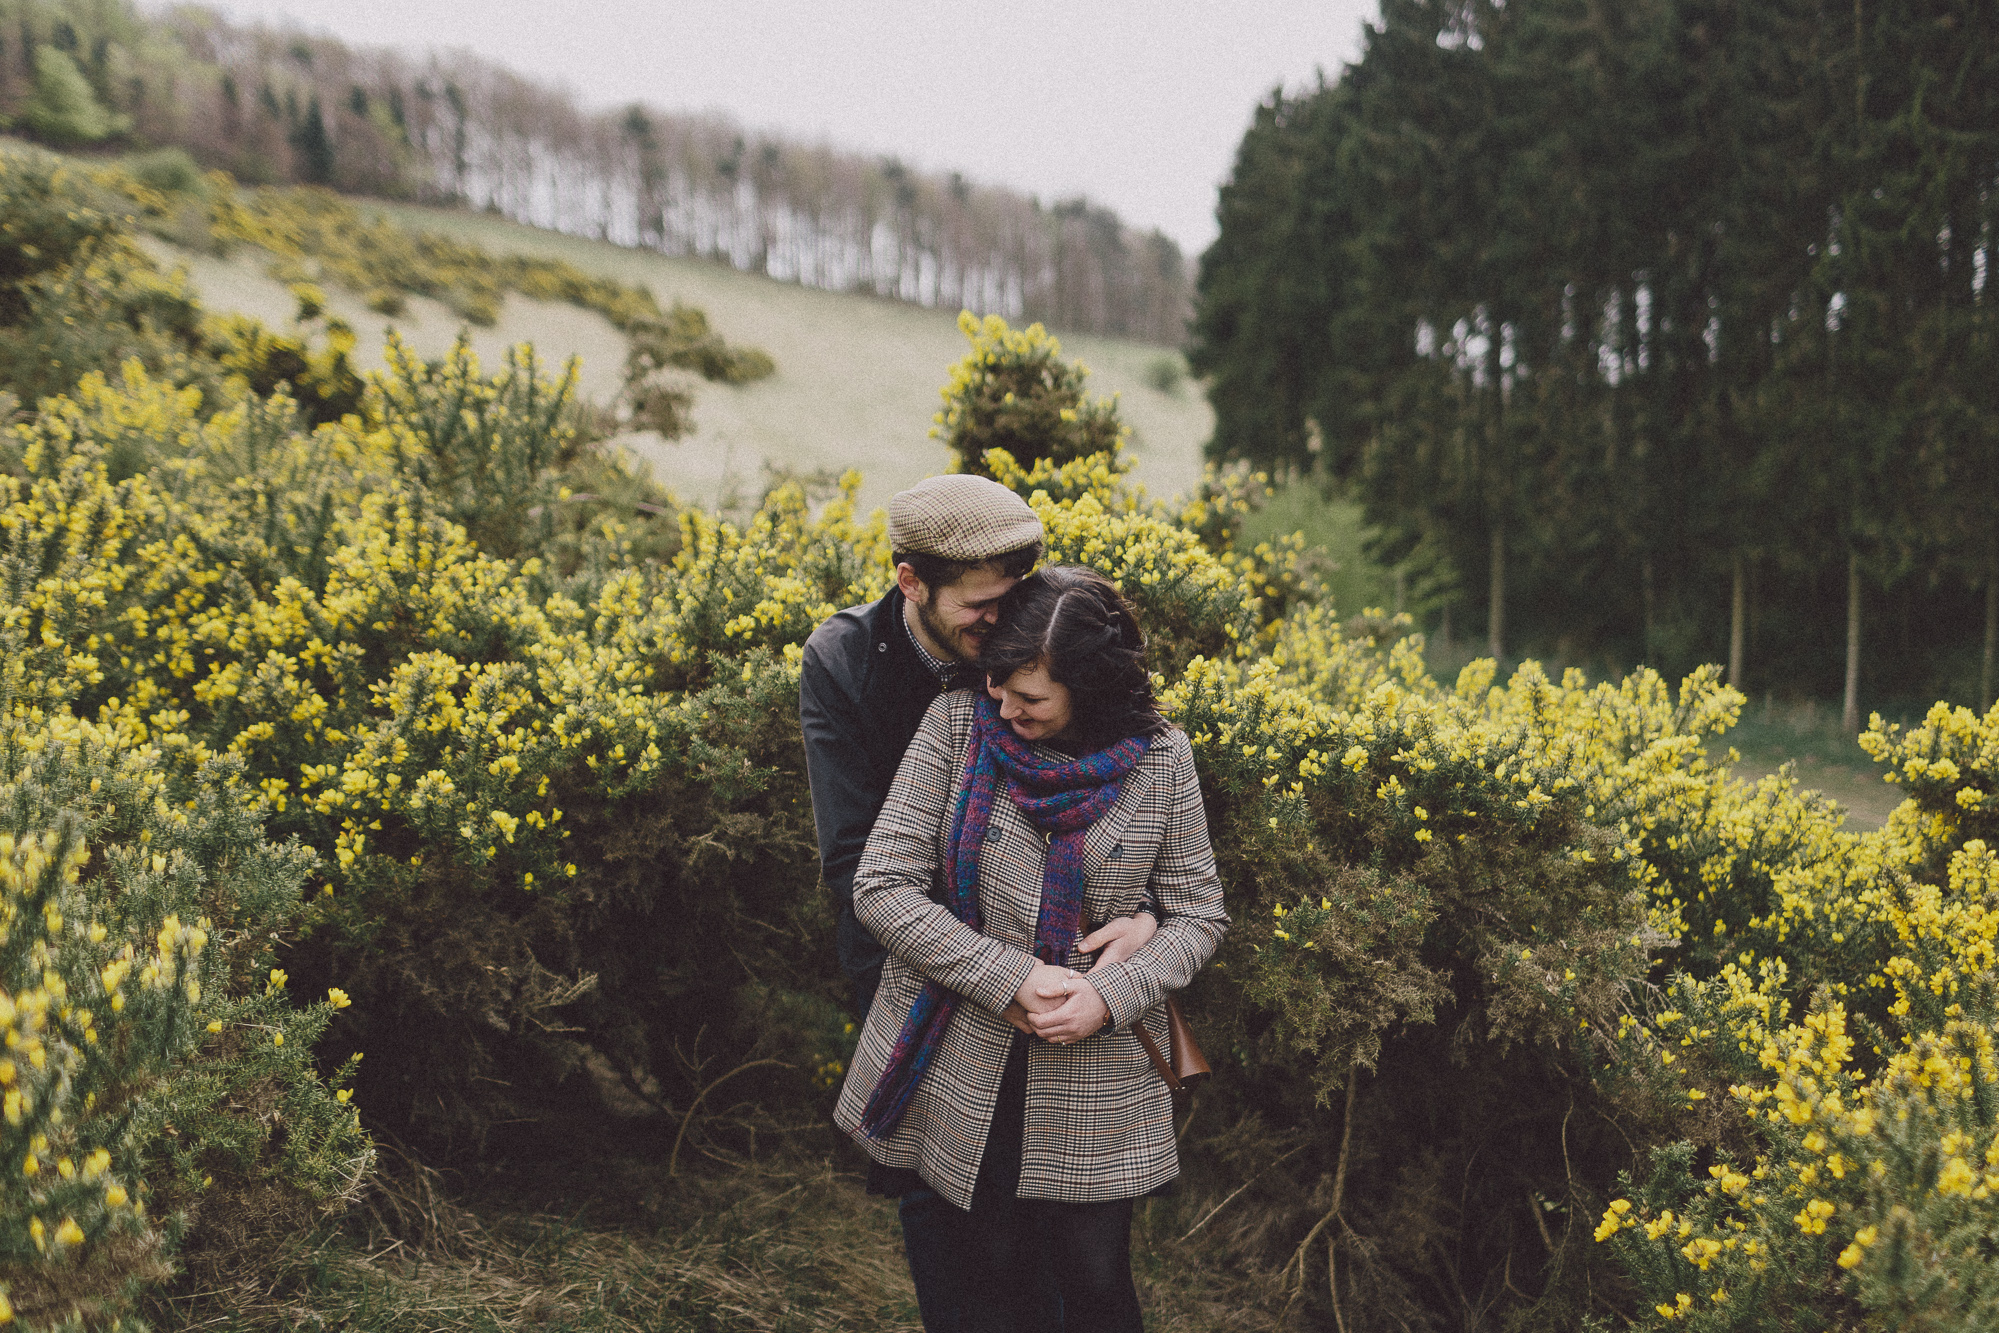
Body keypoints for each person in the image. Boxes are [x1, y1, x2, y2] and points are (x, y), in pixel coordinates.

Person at [799, 478, 1158, 1331]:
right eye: (981, 608)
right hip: (916, 971)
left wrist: (1143, 915)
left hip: (1068, 988)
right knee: (954, 1234)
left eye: (1013, 604)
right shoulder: (846, 660)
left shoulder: (1045, 624)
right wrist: (985, 980)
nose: (1000, 630)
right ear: (910, 581)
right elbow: (860, 867)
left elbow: (1128, 778)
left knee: (1072, 1247)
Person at [834, 565, 1229, 1333]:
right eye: (997, 685)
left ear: (1089, 690)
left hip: (1096, 1067)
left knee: (1093, 1282)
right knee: (982, 1272)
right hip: (961, 1050)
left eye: (1030, 698)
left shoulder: (1161, 760)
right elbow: (881, 883)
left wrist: (1109, 995)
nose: (1003, 707)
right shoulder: (955, 725)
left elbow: (1198, 914)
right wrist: (1008, 976)